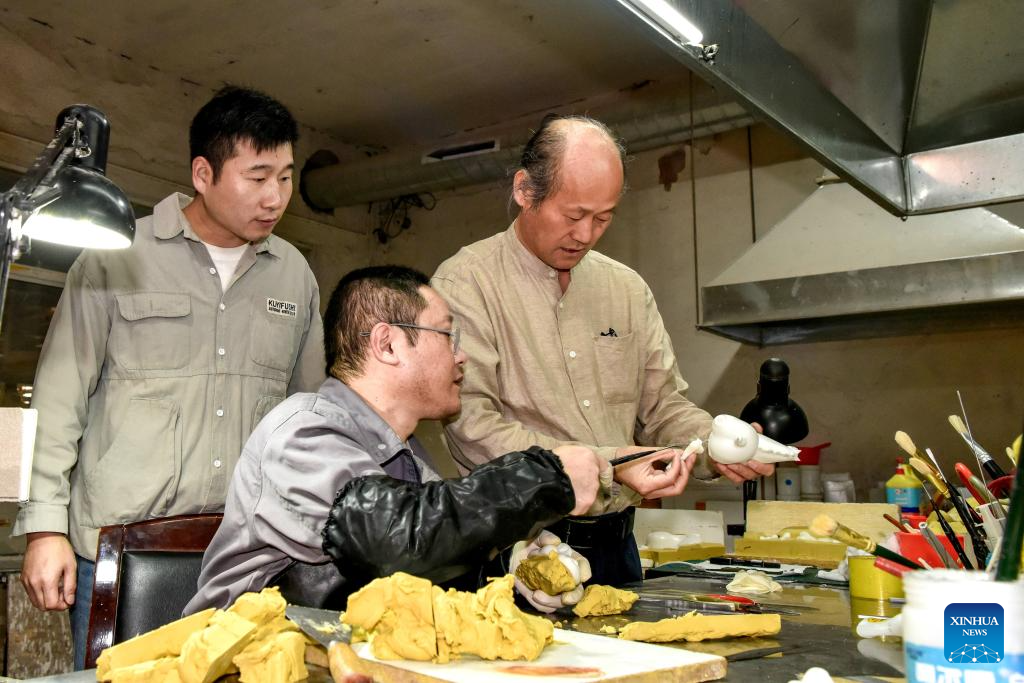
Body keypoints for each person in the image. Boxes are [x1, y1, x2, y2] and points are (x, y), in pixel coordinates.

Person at [13, 86, 325, 669]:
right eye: (257, 177)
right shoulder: (116, 255)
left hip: (245, 561)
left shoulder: (294, 277)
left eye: (285, 177)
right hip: (120, 553)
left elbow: (306, 421)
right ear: (203, 173)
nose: (275, 197)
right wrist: (43, 530)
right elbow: (55, 403)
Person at [185, 265, 685, 615]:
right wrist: (544, 475)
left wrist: (515, 575)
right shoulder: (301, 431)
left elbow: (427, 562)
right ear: (387, 344)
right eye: (448, 336)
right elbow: (394, 541)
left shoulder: (405, 457)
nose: (462, 358)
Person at [431, 114, 773, 586]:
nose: (587, 235)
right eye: (573, 216)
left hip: (618, 548)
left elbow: (661, 406)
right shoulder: (466, 283)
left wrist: (716, 444)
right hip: (518, 553)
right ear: (525, 191)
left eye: (604, 218)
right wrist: (612, 462)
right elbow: (473, 427)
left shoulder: (626, 288)